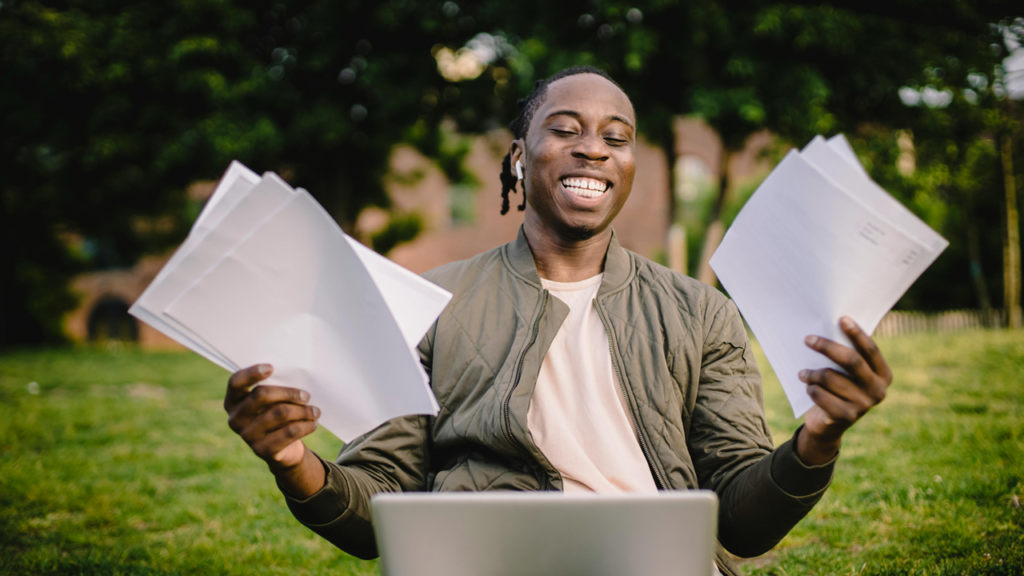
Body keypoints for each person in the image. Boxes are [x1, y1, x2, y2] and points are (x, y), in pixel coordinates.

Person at [221, 66, 892, 576]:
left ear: (629, 167)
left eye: (616, 138)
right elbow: (377, 514)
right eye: (565, 130)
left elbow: (743, 524)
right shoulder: (429, 306)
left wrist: (819, 440)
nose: (593, 149)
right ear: (519, 157)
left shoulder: (701, 313)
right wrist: (290, 459)